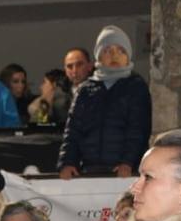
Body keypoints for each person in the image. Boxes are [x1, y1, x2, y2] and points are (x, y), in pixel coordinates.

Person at [58, 26, 152, 179]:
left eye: (121, 50)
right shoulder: (85, 90)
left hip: (125, 172)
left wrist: (128, 162)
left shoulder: (136, 87)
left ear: (128, 56)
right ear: (98, 57)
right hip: (89, 171)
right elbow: (72, 131)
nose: (114, 55)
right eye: (108, 50)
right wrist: (67, 162)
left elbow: (138, 130)